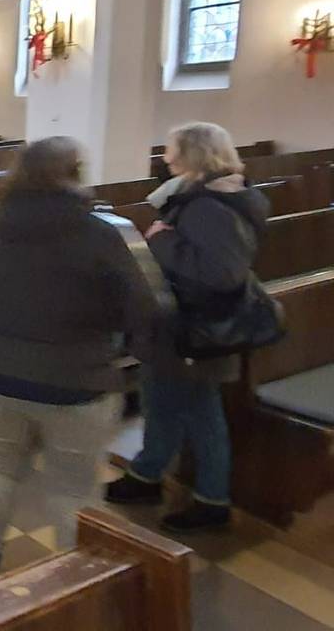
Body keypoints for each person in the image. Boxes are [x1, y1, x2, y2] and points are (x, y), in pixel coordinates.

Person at [0, 137, 156, 582]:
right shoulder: (102, 233)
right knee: (73, 487)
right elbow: (140, 308)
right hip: (77, 380)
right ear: (75, 175)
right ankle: (74, 580)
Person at [105, 122, 268, 533]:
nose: (164, 158)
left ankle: (213, 500)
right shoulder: (208, 197)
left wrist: (161, 240)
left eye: (172, 151)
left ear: (193, 156)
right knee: (160, 400)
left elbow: (222, 273)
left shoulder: (211, 206)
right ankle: (147, 474)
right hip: (181, 326)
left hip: (198, 330)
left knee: (200, 413)